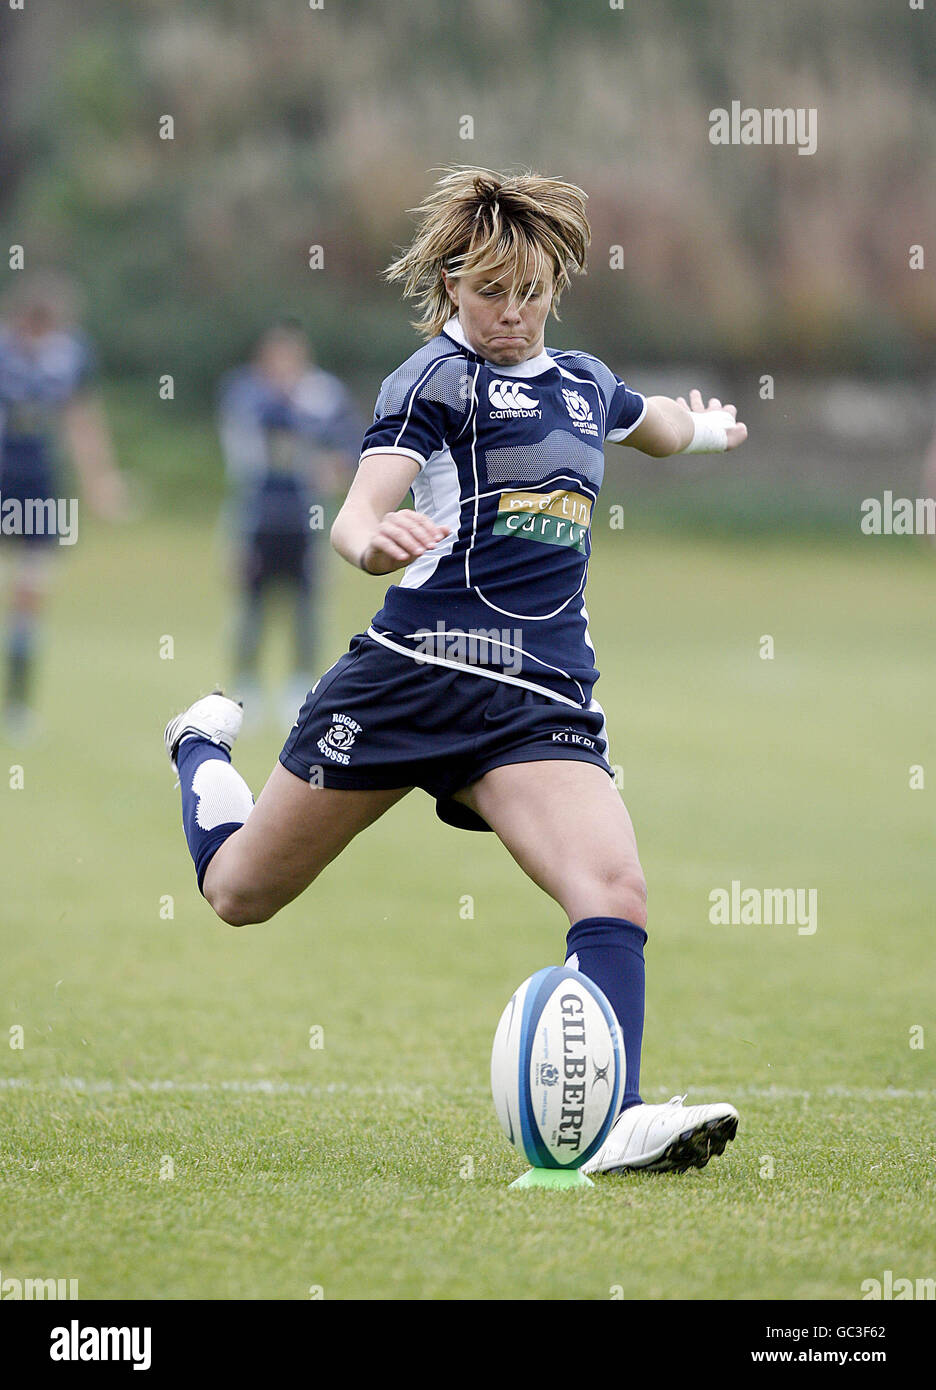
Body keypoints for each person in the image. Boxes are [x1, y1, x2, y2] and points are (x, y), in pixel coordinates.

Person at [164, 167, 748, 1176]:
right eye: (490, 294)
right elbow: (358, 509)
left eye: (531, 294)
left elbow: (646, 423)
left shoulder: (586, 382)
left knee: (615, 889)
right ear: (450, 287)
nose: (513, 315)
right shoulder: (429, 382)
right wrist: (367, 542)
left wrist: (702, 428)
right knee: (239, 892)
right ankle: (198, 746)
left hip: (538, 700)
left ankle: (619, 1120)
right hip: (410, 681)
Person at [0, 272, 127, 738]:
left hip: (40, 487)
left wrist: (100, 481)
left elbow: (81, 420)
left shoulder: (70, 355)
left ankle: (16, 706)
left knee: (30, 593)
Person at [217, 319, 361, 726]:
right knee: (251, 606)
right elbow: (246, 445)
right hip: (256, 516)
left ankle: (300, 684)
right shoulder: (246, 393)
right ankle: (247, 686)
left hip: (306, 519)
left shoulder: (323, 394)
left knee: (306, 607)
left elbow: (350, 449)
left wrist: (332, 468)